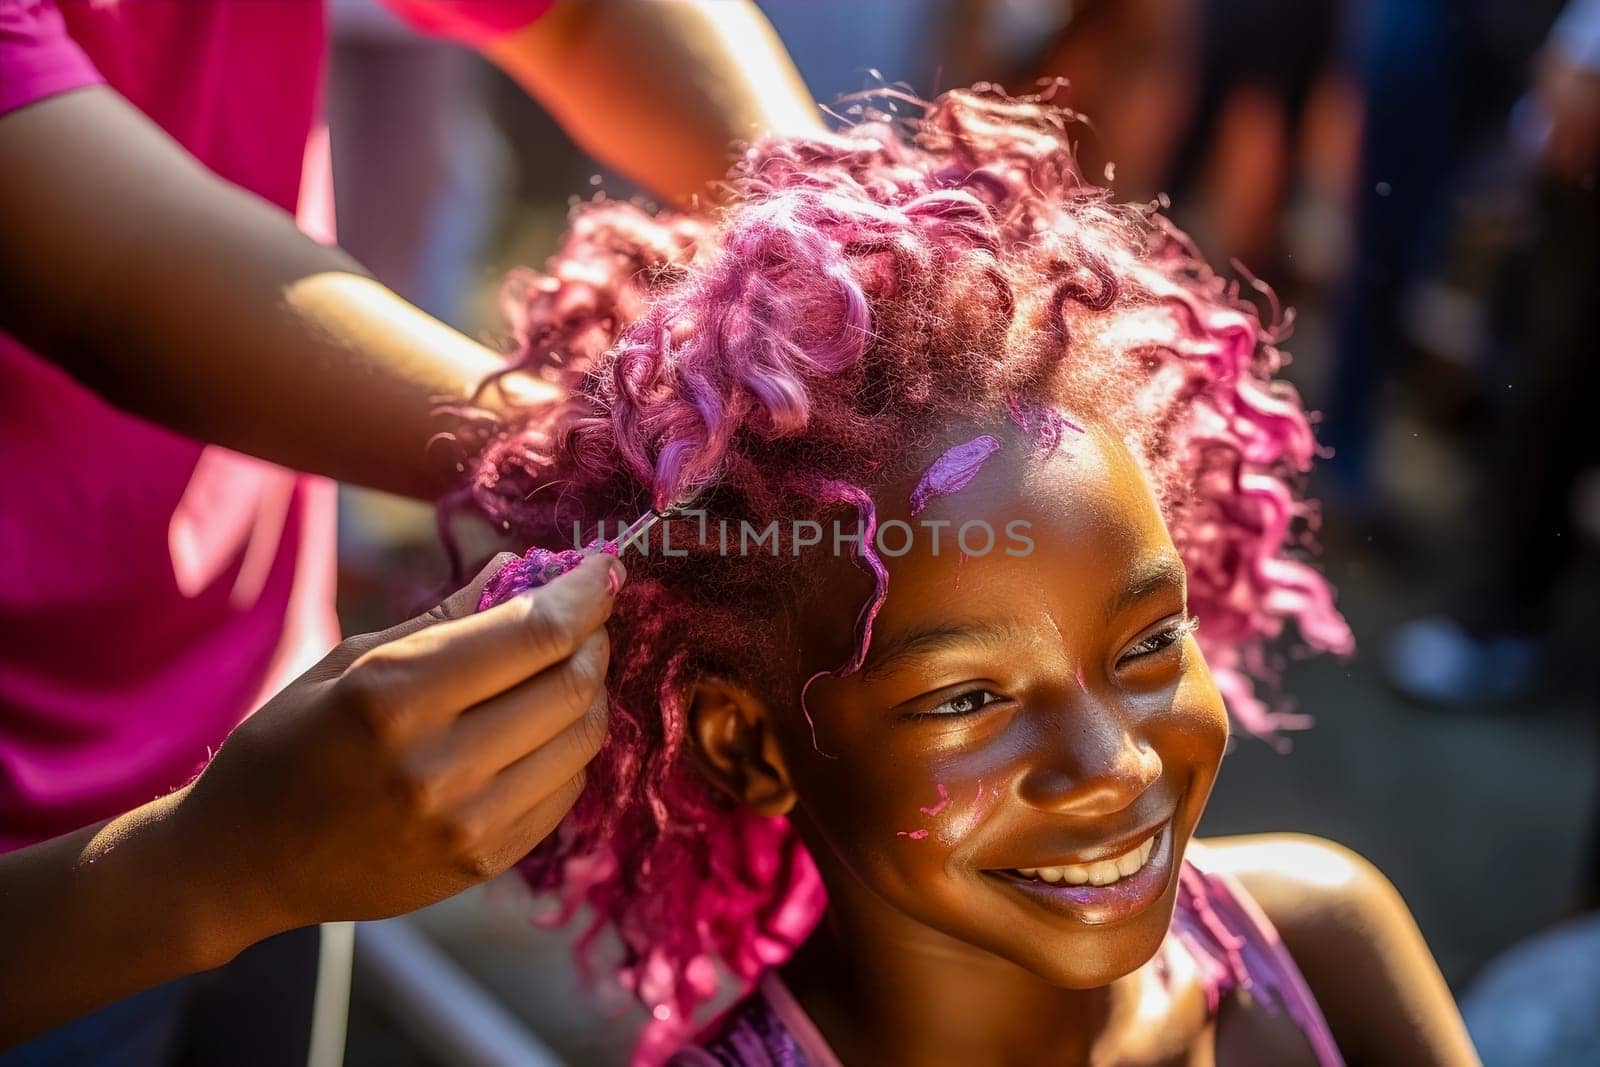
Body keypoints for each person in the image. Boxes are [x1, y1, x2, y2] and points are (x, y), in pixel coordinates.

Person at [458, 87, 1482, 1065]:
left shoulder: (1316, 945)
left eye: (1149, 644)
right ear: (747, 744)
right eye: (969, 697)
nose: (1114, 765)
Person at [0, 0, 818, 1057]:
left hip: (273, 726)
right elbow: (105, 259)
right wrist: (632, 456)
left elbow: (575, 16)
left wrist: (836, 245)